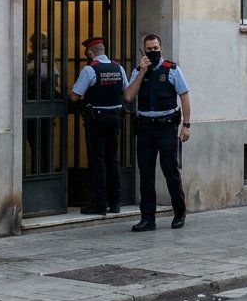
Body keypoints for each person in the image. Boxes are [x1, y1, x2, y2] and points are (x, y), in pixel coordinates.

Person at [123, 33, 191, 231]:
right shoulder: (138, 71)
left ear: (161, 48)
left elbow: (184, 96)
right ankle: (147, 218)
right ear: (144, 50)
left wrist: (186, 125)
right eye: (149, 49)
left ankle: (179, 212)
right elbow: (128, 96)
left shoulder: (172, 69)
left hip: (167, 127)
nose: (152, 52)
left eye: (155, 48)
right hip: (145, 127)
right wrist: (142, 72)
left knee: (170, 171)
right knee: (146, 174)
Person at [68, 37, 125, 215]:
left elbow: (75, 96)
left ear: (91, 53)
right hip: (115, 117)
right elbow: (127, 90)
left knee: (98, 161)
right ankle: (115, 202)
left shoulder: (90, 69)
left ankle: (99, 204)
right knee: (112, 160)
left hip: (97, 120)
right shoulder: (118, 67)